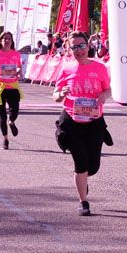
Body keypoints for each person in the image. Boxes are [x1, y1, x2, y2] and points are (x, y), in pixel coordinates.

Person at [53, 31, 113, 216]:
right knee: (81, 163)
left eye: (81, 46)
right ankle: (83, 202)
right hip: (72, 121)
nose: (78, 50)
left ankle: (84, 178)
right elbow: (56, 95)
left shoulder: (100, 68)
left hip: (94, 121)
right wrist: (61, 95)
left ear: (88, 46)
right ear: (69, 49)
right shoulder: (66, 69)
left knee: (92, 166)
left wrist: (103, 96)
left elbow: (108, 89)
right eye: (74, 47)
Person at [0, 31, 24, 150]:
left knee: (14, 110)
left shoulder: (16, 54)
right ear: (0, 41)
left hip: (13, 86)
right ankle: (5, 139)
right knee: (2, 116)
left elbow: (19, 67)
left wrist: (20, 71)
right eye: (4, 38)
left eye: (9, 38)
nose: (7, 40)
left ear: (12, 41)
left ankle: (12, 122)